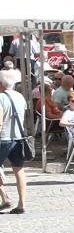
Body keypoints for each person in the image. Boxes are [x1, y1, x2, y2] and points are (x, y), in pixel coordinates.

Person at [0, 69, 28, 214]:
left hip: (3, 138)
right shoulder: (20, 97)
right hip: (18, 138)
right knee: (19, 170)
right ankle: (22, 203)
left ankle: (4, 197)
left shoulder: (1, 98)